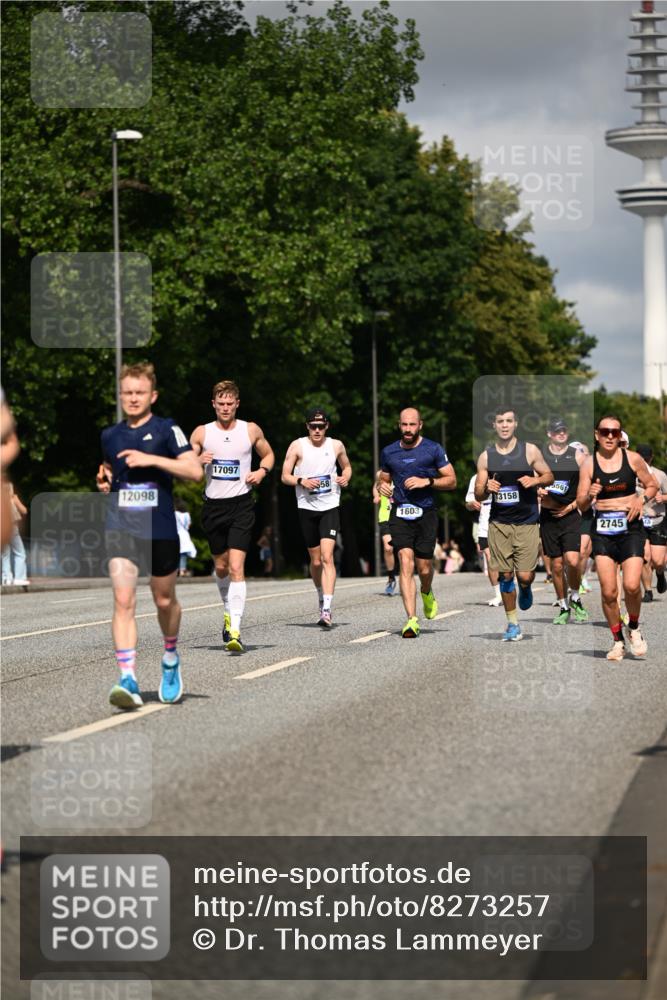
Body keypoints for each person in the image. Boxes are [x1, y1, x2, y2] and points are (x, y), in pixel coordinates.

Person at [96, 362, 203, 710]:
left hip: (159, 527)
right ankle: (127, 678)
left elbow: (194, 471)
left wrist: (152, 460)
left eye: (139, 392)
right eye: (127, 392)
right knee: (123, 599)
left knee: (163, 600)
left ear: (152, 395)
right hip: (121, 526)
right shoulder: (110, 435)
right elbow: (111, 471)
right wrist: (104, 483)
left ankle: (170, 658)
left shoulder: (166, 429)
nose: (133, 398)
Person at [190, 380, 274, 654]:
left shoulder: (250, 430)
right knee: (222, 567)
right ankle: (228, 609)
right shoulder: (202, 432)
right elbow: (186, 466)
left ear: (237, 404)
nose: (225, 408)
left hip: (241, 505)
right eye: (221, 404)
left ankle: (235, 629)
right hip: (213, 507)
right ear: (213, 404)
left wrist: (261, 471)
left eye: (230, 403)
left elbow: (268, 455)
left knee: (237, 567)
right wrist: (197, 461)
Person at [576, 415, 658, 661]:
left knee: (632, 586)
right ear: (597, 434)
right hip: (603, 531)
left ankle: (633, 627)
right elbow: (581, 504)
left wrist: (641, 499)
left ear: (620, 435)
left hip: (630, 529)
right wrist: (589, 495)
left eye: (615, 432)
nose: (610, 436)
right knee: (609, 592)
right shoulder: (588, 465)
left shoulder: (632, 459)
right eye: (605, 431)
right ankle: (617, 641)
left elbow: (652, 485)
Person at [474, 407, 553, 641]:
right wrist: (486, 488)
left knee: (525, 576)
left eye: (509, 421)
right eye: (500, 421)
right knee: (506, 575)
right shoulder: (486, 457)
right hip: (499, 523)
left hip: (527, 522)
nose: (505, 425)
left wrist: (535, 480)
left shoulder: (529, 451)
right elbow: (478, 493)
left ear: (516, 424)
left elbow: (549, 476)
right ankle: (512, 624)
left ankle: (526, 588)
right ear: (494, 425)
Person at [378, 407, 456, 638]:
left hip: (426, 514)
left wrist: (427, 481)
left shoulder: (433, 449)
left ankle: (426, 590)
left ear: (420, 425)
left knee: (424, 568)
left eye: (412, 424)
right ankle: (411, 620)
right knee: (405, 560)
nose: (408, 429)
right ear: (399, 425)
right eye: (404, 425)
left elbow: (452, 480)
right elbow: (383, 480)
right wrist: (382, 488)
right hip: (400, 512)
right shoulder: (389, 452)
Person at [281, 407, 352, 627]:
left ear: (327, 426)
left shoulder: (336, 445)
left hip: (330, 506)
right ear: (307, 427)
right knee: (316, 560)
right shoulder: (297, 446)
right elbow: (284, 476)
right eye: (313, 426)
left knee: (327, 557)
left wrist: (345, 477)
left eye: (321, 426)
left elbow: (347, 467)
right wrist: (301, 480)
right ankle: (321, 595)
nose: (317, 430)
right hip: (307, 507)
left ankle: (327, 609)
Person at [539, 417, 589, 624]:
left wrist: (572, 506)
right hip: (549, 517)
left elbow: (587, 486)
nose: (561, 433)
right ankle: (563, 606)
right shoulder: (540, 456)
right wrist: (537, 489)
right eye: (557, 431)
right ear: (549, 434)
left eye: (564, 430)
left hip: (570, 515)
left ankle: (575, 596)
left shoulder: (577, 456)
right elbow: (531, 480)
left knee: (573, 560)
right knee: (557, 566)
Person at [635, 443, 667, 601]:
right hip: (639, 521)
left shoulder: (660, 475)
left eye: (647, 459)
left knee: (658, 561)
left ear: (651, 458)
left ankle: (660, 574)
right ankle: (648, 591)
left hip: (657, 520)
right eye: (642, 459)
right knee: (645, 556)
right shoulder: (630, 475)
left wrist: (663, 497)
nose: (645, 461)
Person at [465, 471, 501, 605]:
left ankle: (511, 587)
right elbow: (468, 503)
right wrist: (472, 504)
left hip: (507, 519)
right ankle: (498, 594)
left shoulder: (508, 473)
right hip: (485, 522)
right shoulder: (476, 478)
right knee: (489, 557)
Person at [1, 481, 29, 586]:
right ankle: (19, 578)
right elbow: (24, 510)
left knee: (4, 554)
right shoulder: (12, 498)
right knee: (20, 552)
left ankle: (6, 579)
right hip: (11, 527)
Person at [372, 478, 397, 594]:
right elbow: (376, 484)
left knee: (404, 550)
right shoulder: (383, 474)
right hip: (385, 517)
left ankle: (407, 578)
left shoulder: (402, 473)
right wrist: (376, 496)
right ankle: (391, 577)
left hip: (400, 516)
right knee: (388, 548)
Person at [174, 498, 196, 576]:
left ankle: (175, 570)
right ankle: (182, 570)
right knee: (183, 554)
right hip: (184, 535)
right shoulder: (187, 514)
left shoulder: (174, 514)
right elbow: (188, 526)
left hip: (176, 535)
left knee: (175, 553)